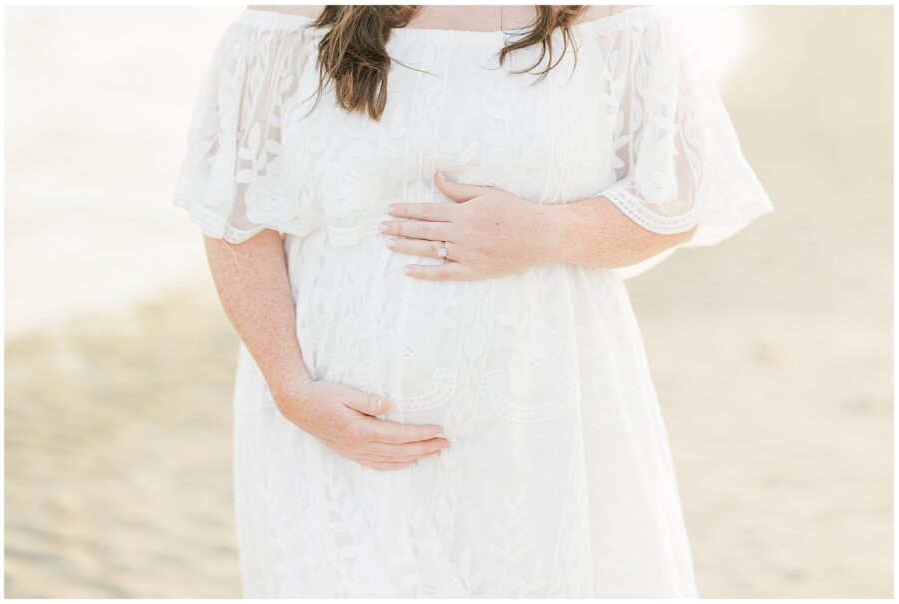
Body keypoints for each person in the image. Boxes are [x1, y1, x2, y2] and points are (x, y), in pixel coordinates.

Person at [172, 4, 774, 597]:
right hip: (334, 427)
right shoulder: (291, 15)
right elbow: (235, 215)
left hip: (543, 430)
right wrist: (291, 387)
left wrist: (546, 232)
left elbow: (672, 203)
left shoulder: (611, 17)